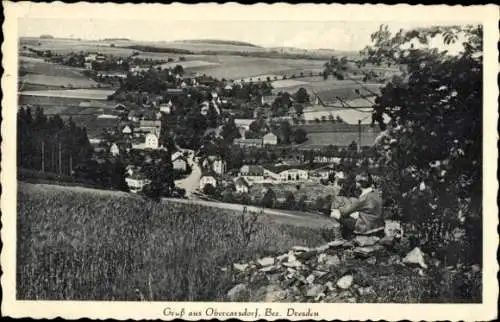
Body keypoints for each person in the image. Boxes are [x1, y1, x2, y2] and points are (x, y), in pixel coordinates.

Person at [331, 172, 384, 239]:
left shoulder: (363, 198)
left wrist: (339, 209)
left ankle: (342, 237)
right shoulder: (376, 193)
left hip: (367, 228)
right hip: (379, 226)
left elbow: (345, 212)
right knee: (353, 215)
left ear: (359, 184)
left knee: (337, 215)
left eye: (356, 182)